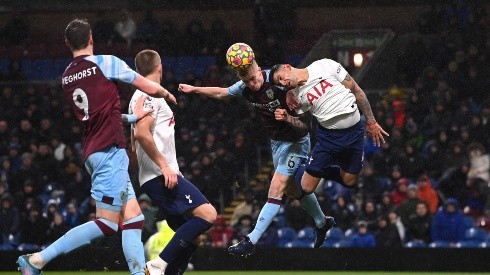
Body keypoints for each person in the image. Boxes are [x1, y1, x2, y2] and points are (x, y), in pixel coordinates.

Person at [17, 19, 176, 275]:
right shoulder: (105, 62)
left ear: (67, 43)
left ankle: (138, 273)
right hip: (109, 152)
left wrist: (132, 118)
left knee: (133, 217)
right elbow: (147, 86)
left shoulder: (67, 75)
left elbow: (98, 114)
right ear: (92, 39)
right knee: (107, 224)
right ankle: (38, 260)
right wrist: (166, 94)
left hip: (95, 149)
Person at [178, 45, 334, 257]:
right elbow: (223, 93)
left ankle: (251, 240)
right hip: (276, 143)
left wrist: (288, 118)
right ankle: (322, 222)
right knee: (290, 190)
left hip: (297, 142)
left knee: (276, 187)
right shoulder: (245, 88)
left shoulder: (279, 81)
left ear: (258, 67)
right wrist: (195, 89)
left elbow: (306, 126)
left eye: (254, 78)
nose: (253, 84)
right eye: (248, 82)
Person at [129, 49, 217, 275]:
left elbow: (134, 141)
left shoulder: (141, 96)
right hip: (160, 174)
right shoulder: (148, 95)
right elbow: (142, 134)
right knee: (208, 215)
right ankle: (158, 264)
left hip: (157, 174)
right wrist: (165, 166)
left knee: (193, 239)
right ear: (160, 67)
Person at [270, 59, 389, 197]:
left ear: (287, 67)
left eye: (281, 77)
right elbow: (305, 126)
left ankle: (323, 168)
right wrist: (288, 119)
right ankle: (292, 171)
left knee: (350, 182)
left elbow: (356, 89)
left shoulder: (324, 65)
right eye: (281, 84)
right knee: (307, 187)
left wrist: (371, 122)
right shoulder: (295, 97)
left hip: (355, 133)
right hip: (330, 137)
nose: (284, 83)